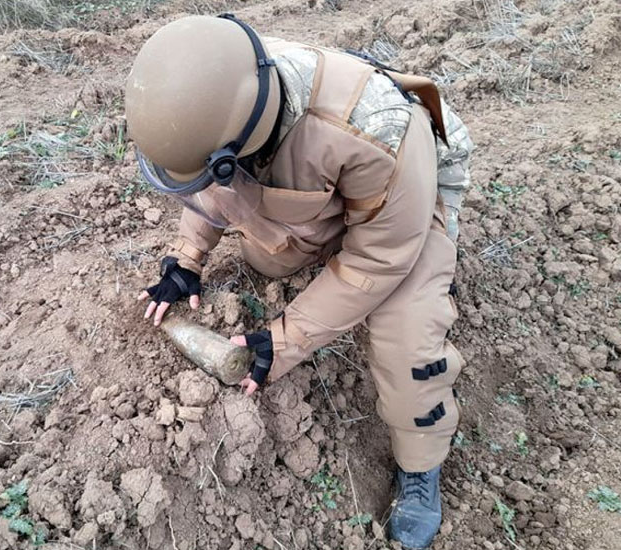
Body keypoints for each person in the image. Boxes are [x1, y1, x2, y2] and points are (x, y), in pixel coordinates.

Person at [126, 14, 473, 550]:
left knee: (405, 333)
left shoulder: (374, 128)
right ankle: (326, 228)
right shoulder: (218, 94)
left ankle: (420, 466)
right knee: (271, 262)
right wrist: (187, 259)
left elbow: (378, 260)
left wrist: (283, 342)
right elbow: (212, 187)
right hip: (325, 181)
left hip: (407, 194)